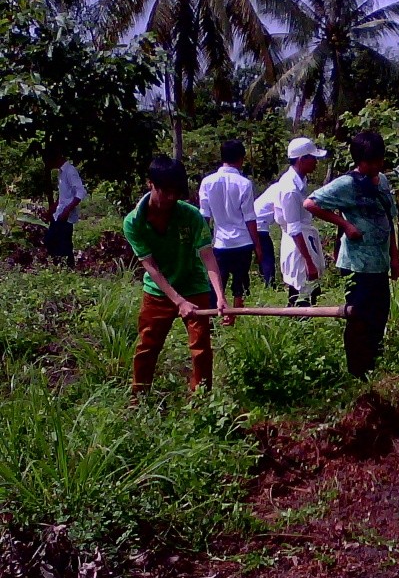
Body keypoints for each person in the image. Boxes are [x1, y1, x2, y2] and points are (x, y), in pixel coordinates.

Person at [122, 156, 228, 398]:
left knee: (200, 348)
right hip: (158, 291)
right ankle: (139, 398)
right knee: (147, 346)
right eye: (165, 191)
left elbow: (208, 256)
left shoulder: (190, 215)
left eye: (176, 193)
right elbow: (150, 266)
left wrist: (219, 297)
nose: (171, 198)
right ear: (151, 184)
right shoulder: (133, 222)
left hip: (193, 286)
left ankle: (202, 401)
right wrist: (177, 301)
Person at [304, 131, 399, 378]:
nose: (378, 166)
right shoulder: (347, 184)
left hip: (379, 264)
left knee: (380, 315)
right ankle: (357, 371)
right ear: (361, 161)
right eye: (373, 162)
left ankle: (373, 365)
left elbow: (388, 220)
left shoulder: (384, 182)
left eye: (380, 160)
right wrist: (345, 225)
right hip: (357, 265)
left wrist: (394, 257)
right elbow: (311, 203)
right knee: (358, 318)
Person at [257, 137, 328, 306]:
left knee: (310, 289)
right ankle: (300, 323)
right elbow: (294, 228)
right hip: (298, 244)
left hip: (304, 239)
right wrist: (308, 261)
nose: (316, 162)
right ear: (302, 160)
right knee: (301, 288)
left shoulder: (300, 182)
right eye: (313, 158)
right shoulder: (290, 189)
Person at [199, 140, 262, 324]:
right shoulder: (244, 184)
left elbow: (205, 217)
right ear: (241, 159)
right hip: (242, 241)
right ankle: (232, 317)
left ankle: (211, 318)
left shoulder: (207, 182)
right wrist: (258, 245)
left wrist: (203, 243)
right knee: (239, 282)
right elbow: (250, 218)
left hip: (220, 242)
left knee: (217, 282)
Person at [42, 143, 87, 268]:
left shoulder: (70, 171)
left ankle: (67, 268)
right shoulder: (61, 173)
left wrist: (67, 210)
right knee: (54, 241)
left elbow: (80, 192)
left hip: (66, 215)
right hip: (60, 212)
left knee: (62, 244)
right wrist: (53, 207)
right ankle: (61, 267)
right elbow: (65, 194)